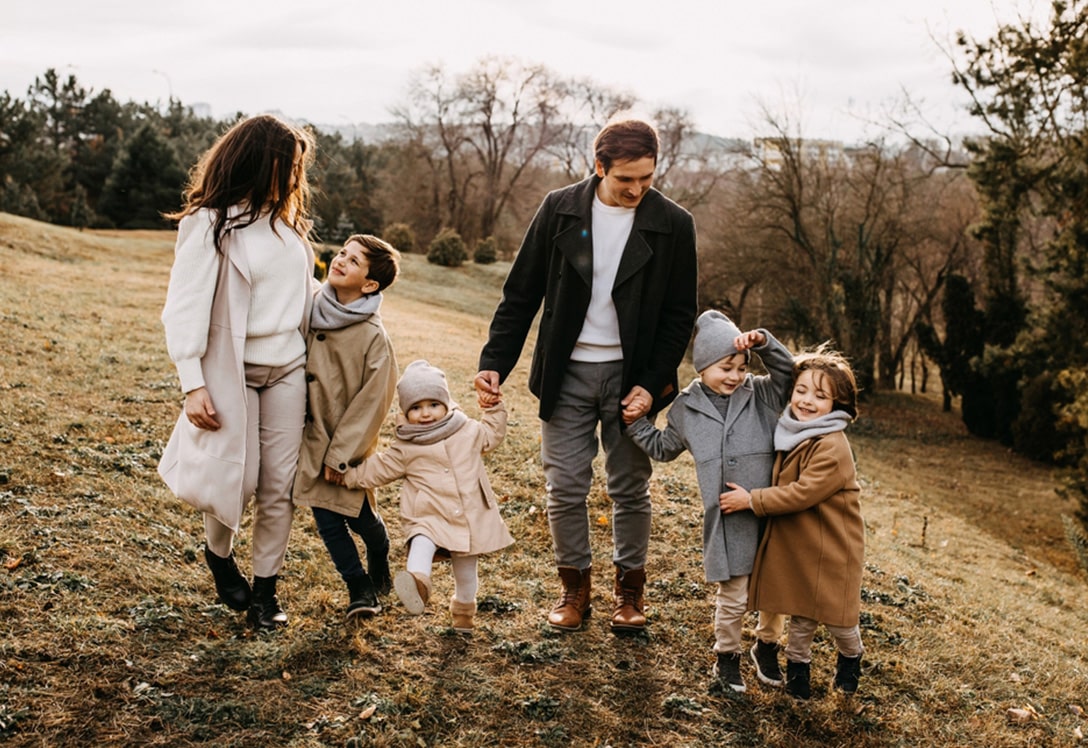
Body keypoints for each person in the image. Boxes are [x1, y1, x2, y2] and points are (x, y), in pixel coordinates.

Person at [475, 116, 698, 634]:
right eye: (626, 180)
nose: (638, 189)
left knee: (629, 487)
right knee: (565, 487)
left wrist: (651, 381)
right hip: (566, 373)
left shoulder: (674, 224)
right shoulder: (559, 210)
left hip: (633, 379)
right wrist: (494, 363)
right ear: (598, 167)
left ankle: (629, 593)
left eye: (647, 178)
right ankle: (574, 590)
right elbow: (521, 294)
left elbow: (678, 314)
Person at [158, 113, 318, 630]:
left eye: (298, 168)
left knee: (280, 485)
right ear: (259, 161)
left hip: (288, 368)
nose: (295, 177)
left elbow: (300, 296)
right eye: (287, 165)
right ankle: (218, 554)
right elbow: (183, 306)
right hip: (234, 370)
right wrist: (192, 382)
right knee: (240, 478)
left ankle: (266, 593)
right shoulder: (210, 223)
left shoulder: (289, 224)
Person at [627, 310, 793, 692]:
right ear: (702, 367)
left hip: (770, 513)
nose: (735, 375)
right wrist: (634, 424)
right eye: (725, 367)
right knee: (733, 596)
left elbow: (787, 374)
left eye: (740, 366)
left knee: (774, 593)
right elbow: (664, 447)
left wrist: (764, 342)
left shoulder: (761, 392)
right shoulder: (686, 408)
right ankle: (727, 657)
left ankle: (766, 647)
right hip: (728, 520)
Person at [720, 346, 864, 699]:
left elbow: (801, 493)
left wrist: (752, 500)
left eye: (820, 395)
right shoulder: (792, 429)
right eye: (801, 390)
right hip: (799, 542)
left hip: (832, 547)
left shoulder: (832, 446)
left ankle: (851, 655)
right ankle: (798, 672)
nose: (807, 401)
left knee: (838, 617)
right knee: (801, 612)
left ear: (838, 403)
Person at [338, 360, 514, 634]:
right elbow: (379, 468)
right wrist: (347, 475)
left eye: (433, 404)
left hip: (469, 516)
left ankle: (464, 613)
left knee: (466, 573)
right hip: (428, 515)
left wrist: (493, 407)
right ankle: (419, 585)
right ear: (405, 413)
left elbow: (492, 434)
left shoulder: (466, 430)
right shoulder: (406, 446)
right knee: (420, 542)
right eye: (416, 408)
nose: (426, 414)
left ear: (446, 403)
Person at [292, 235, 400, 620]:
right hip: (309, 437)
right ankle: (359, 588)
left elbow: (372, 405)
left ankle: (380, 548)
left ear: (370, 284)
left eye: (353, 262)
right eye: (342, 253)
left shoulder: (374, 338)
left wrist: (341, 457)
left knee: (358, 518)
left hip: (344, 449)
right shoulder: (310, 308)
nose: (340, 261)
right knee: (324, 516)